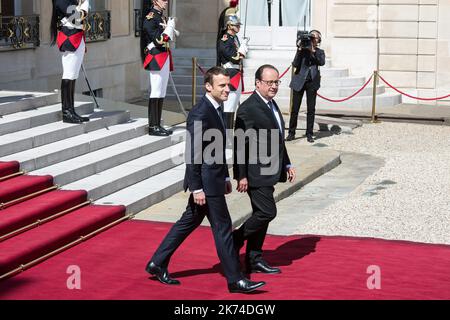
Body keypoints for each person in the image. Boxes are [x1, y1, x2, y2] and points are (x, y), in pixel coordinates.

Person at [145, 67, 266, 294]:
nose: (227, 89)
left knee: (188, 222)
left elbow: (213, 149)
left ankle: (157, 262)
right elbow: (192, 153)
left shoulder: (216, 107)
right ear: (208, 86)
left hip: (213, 179)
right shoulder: (201, 112)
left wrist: (224, 178)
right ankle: (235, 279)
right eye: (221, 85)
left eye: (228, 85)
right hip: (205, 184)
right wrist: (197, 188)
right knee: (223, 228)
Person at [233, 64, 296, 274]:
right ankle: (234, 239)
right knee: (268, 211)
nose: (274, 86)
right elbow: (240, 145)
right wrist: (241, 175)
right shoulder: (248, 108)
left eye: (276, 82)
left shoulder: (271, 104)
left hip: (271, 169)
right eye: (269, 82)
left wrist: (287, 163)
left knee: (262, 213)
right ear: (258, 83)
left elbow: (277, 139)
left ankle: (254, 258)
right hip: (255, 172)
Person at [140, 0, 178, 136]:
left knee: (162, 92)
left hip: (164, 55)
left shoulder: (161, 16)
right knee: (155, 92)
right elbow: (157, 40)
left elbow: (167, 40)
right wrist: (168, 30)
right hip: (156, 57)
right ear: (155, 1)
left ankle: (157, 124)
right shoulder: (150, 17)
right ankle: (153, 126)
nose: (166, 2)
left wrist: (170, 30)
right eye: (163, 0)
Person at [50, 0, 90, 124]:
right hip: (70, 39)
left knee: (73, 76)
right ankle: (66, 112)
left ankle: (71, 110)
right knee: (68, 75)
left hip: (77, 37)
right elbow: (76, 18)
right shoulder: (61, 1)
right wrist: (85, 5)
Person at [286, 30, 325, 143]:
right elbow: (295, 64)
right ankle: (291, 133)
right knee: (294, 109)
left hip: (312, 82)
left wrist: (312, 51)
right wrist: (299, 49)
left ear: (319, 40)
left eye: (315, 38)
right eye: (311, 37)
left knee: (311, 109)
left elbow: (321, 62)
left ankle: (309, 134)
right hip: (299, 81)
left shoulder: (320, 51)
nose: (313, 39)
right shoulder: (302, 50)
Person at [217, 10, 248, 130]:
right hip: (230, 74)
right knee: (228, 107)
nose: (239, 27)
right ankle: (226, 135)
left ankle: (228, 134)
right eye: (236, 25)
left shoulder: (234, 39)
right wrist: (243, 49)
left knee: (233, 106)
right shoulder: (225, 40)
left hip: (236, 74)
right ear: (229, 26)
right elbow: (234, 58)